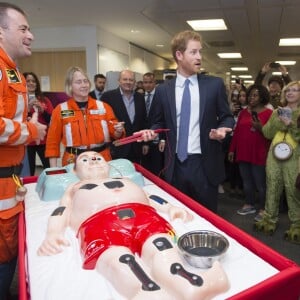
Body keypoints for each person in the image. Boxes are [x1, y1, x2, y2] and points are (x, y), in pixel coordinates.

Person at [37, 151, 229, 300]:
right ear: (75, 171)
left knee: (161, 246)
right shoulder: (74, 188)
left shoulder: (124, 180)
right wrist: (53, 232)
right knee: (120, 259)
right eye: (85, 160)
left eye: (97, 158)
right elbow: (62, 210)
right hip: (100, 224)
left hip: (145, 217)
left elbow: (150, 198)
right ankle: (146, 292)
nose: (93, 160)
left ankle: (190, 284)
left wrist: (170, 208)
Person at [138, 30, 235, 212]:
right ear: (179, 55)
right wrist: (152, 132)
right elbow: (158, 122)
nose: (199, 57)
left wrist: (223, 129)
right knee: (178, 216)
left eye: (200, 52)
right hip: (174, 166)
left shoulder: (214, 85)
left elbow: (227, 116)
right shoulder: (163, 90)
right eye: (193, 52)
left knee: (207, 218)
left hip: (204, 164)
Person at [0, 3, 47, 299]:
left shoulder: (12, 71)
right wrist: (31, 131)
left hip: (10, 183)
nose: (31, 35)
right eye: (23, 29)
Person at [45, 66, 125, 167]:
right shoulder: (61, 110)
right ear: (70, 86)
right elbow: (52, 142)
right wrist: (53, 170)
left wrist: (118, 131)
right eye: (78, 82)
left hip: (101, 159)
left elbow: (115, 134)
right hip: (73, 161)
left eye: (85, 81)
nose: (83, 85)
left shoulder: (103, 107)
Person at [254, 81, 300, 243]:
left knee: (293, 190)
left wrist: (290, 124)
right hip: (274, 156)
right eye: (288, 90)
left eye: (295, 90)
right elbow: (267, 133)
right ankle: (269, 219)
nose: (290, 93)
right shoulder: (276, 112)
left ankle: (297, 225)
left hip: (295, 158)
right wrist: (277, 120)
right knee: (272, 186)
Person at [228, 85, 272, 220]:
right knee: (247, 181)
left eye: (255, 95)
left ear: (262, 97)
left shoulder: (269, 113)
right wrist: (231, 150)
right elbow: (237, 133)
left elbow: (271, 135)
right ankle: (249, 204)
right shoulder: (243, 113)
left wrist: (260, 128)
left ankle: (264, 209)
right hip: (243, 152)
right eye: (250, 95)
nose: (251, 98)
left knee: (260, 183)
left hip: (259, 152)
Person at [101, 70, 147, 163]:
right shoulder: (108, 97)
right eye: (125, 79)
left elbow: (143, 121)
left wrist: (145, 143)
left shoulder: (140, 97)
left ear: (134, 82)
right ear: (119, 81)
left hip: (136, 148)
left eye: (131, 80)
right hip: (117, 148)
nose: (128, 82)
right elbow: (103, 123)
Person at [24, 72, 54, 175]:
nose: (31, 83)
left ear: (37, 84)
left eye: (33, 81)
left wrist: (42, 110)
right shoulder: (19, 100)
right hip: (26, 142)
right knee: (29, 172)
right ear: (23, 83)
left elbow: (51, 120)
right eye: (28, 81)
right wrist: (27, 109)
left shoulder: (44, 100)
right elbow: (17, 120)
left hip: (43, 140)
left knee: (48, 168)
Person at [141, 72, 165, 176]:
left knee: (157, 168)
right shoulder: (139, 98)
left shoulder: (162, 97)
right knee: (145, 169)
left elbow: (165, 120)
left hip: (158, 139)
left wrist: (163, 139)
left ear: (155, 82)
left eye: (150, 82)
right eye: (145, 82)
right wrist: (143, 142)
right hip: (143, 139)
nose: (148, 85)